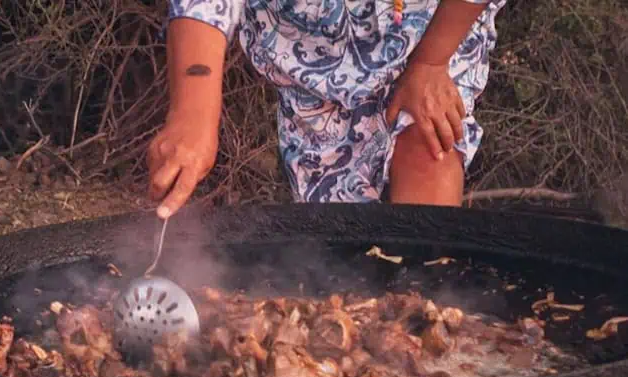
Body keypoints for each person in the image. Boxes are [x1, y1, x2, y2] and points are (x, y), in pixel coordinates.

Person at [147, 0, 506, 219]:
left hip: (433, 31)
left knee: (429, 144)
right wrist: (192, 113)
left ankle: (430, 297)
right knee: (337, 243)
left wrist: (431, 61)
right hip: (311, 61)